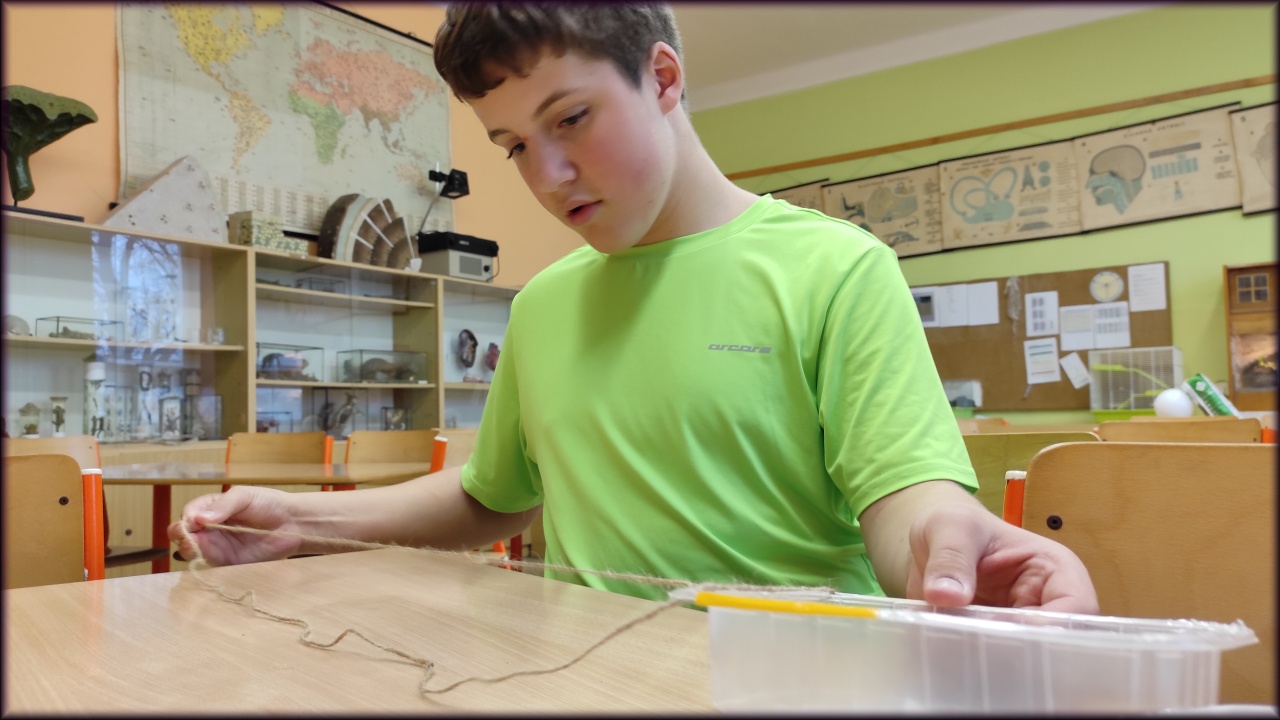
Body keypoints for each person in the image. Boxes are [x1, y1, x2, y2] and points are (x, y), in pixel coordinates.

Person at [171, 4, 1097, 614]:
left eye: (570, 119)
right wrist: (299, 521)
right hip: (587, 679)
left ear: (662, 78)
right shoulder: (544, 304)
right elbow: (490, 497)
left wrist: (948, 553)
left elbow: (905, 505)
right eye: (513, 146)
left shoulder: (836, 270)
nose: (547, 175)